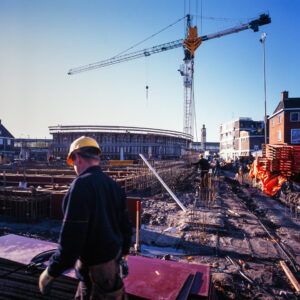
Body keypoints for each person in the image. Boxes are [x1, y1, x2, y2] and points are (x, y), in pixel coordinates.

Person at [39, 136, 132, 299]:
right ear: (98, 157)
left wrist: (50, 272)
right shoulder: (113, 186)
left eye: (73, 162)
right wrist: (123, 256)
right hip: (113, 269)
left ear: (78, 157)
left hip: (94, 279)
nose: (74, 166)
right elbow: (126, 227)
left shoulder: (80, 186)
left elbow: (71, 241)